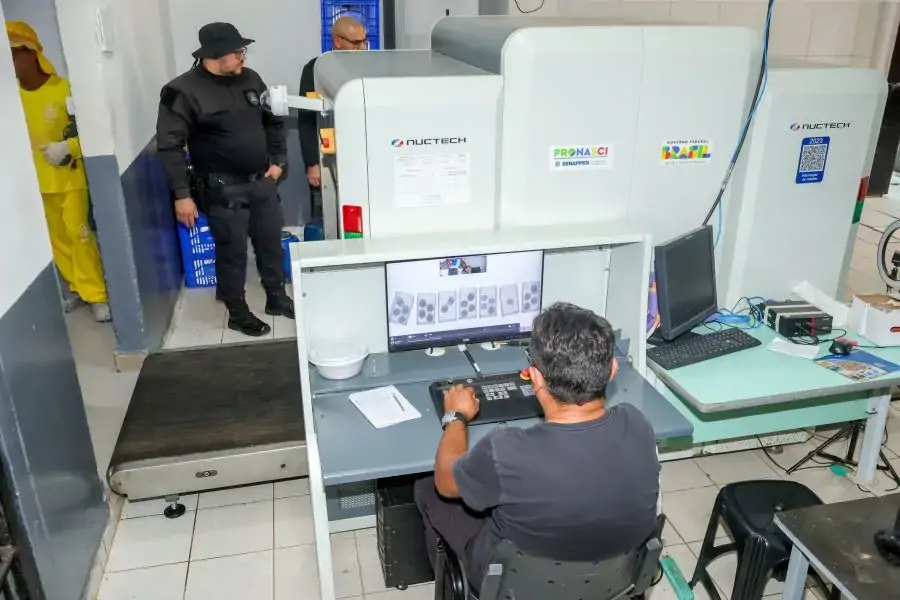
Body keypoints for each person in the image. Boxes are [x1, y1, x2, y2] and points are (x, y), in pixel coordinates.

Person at [415, 302, 661, 593]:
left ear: (535, 377)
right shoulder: (639, 426)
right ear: (612, 371)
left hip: (508, 587)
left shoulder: (505, 451)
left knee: (428, 488)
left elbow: (445, 482)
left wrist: (456, 417)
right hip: (614, 580)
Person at [157, 22, 294, 337]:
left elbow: (273, 121)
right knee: (232, 252)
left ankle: (276, 297)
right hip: (222, 188)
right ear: (217, 55)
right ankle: (237, 311)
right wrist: (182, 195)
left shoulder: (251, 78)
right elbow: (170, 146)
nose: (243, 56)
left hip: (262, 181)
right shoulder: (182, 91)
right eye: (238, 52)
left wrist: (278, 161)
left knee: (270, 242)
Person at [8, 21, 112, 323]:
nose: (10, 62)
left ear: (31, 53)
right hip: (34, 185)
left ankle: (97, 295)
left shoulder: (64, 89)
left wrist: (69, 146)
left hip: (69, 179)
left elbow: (94, 129)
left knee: (80, 237)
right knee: (57, 242)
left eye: (14, 53)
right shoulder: (11, 98)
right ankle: (78, 288)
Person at [298, 16, 368, 219]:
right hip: (328, 156)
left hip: (362, 153)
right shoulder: (315, 70)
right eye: (356, 43)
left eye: (364, 41)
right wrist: (313, 163)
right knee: (328, 214)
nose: (362, 48)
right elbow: (307, 118)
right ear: (337, 41)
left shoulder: (370, 66)